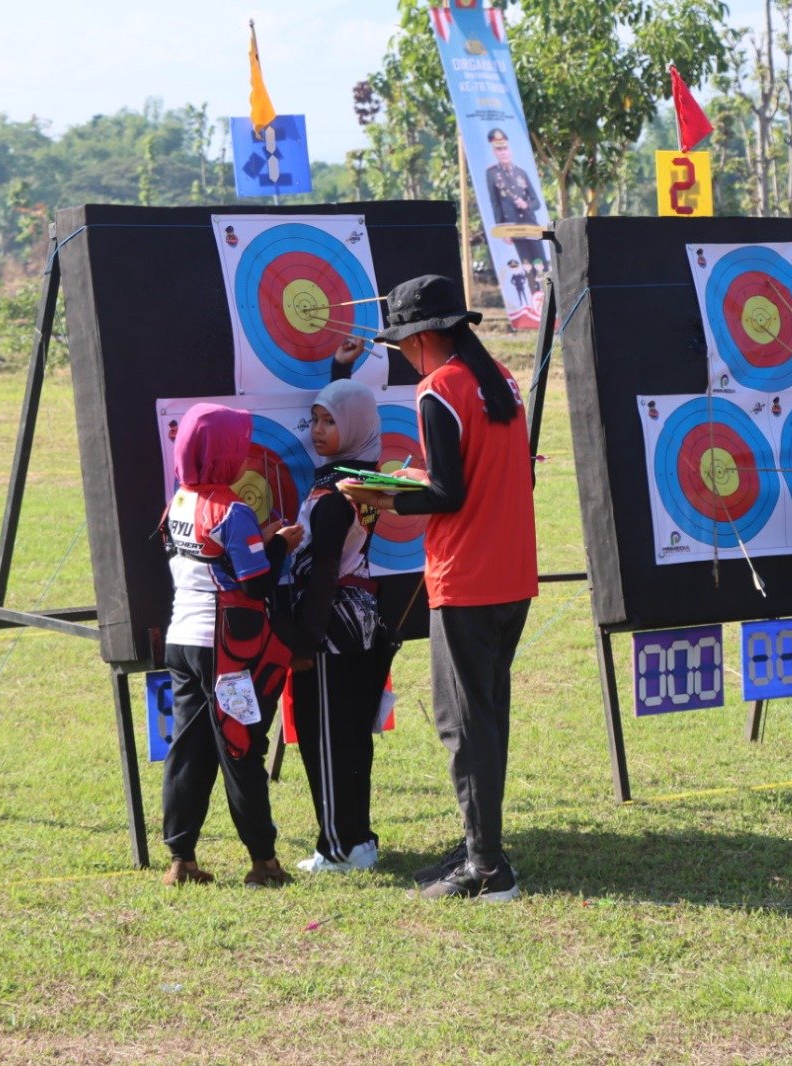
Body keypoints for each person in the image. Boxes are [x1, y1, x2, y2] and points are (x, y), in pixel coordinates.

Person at [339, 274, 537, 901]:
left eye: (400, 340)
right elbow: (486, 472)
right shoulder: (499, 379)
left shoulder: (438, 390)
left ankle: (488, 871)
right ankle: (482, 845)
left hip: (468, 578)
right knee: (486, 719)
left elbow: (449, 495)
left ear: (422, 336)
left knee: (462, 725)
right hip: (511, 575)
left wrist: (380, 494)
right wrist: (417, 477)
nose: (398, 351)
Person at [159, 403, 303, 888]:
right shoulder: (234, 510)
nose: (244, 453)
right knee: (241, 751)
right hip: (226, 656)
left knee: (188, 750)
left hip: (182, 641)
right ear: (221, 452)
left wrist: (257, 541)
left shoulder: (180, 499)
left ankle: (181, 860)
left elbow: (210, 555)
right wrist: (282, 541)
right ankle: (264, 863)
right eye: (237, 445)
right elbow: (256, 583)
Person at [277, 380, 391, 872]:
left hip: (328, 628)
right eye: (316, 420)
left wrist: (304, 640)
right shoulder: (360, 479)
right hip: (360, 624)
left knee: (326, 736)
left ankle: (339, 848)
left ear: (354, 428)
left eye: (330, 422)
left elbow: (323, 570)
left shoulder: (333, 497)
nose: (318, 431)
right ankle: (357, 840)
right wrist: (338, 369)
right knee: (349, 735)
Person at [483, 128, 547, 270]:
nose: (503, 152)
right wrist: (503, 230)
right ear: (495, 152)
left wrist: (526, 205)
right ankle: (535, 291)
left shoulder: (521, 172)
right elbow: (496, 204)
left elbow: (537, 203)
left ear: (510, 150)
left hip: (530, 224)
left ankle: (549, 291)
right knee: (527, 265)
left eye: (505, 148)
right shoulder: (492, 174)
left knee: (541, 263)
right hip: (513, 227)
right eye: (499, 150)